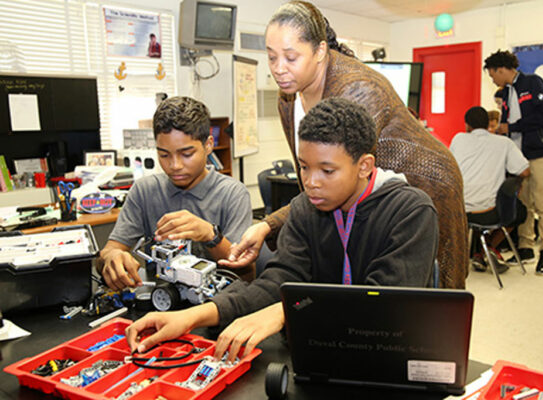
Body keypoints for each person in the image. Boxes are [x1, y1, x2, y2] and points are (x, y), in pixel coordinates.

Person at [125, 98, 438, 362]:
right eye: (304, 166)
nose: (310, 182)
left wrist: (286, 312)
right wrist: (193, 316)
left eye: (327, 170)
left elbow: (381, 304)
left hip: (384, 359)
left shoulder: (410, 212)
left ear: (365, 166)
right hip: (317, 353)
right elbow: (276, 283)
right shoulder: (305, 209)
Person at [221, 0, 467, 289]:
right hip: (363, 189)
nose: (279, 69)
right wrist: (269, 224)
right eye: (272, 57)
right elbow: (317, 176)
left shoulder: (358, 90)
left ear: (320, 51)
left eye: (290, 57)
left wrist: (269, 223)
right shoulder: (288, 96)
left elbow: (341, 177)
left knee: (431, 297)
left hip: (426, 182)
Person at [98, 96, 253, 290]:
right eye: (164, 155)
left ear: (208, 145)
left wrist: (210, 235)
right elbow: (110, 250)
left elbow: (246, 273)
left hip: (216, 306)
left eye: (187, 154)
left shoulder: (233, 194)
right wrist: (112, 257)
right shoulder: (144, 191)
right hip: (163, 303)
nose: (174, 166)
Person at [484, 50, 543, 275]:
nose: (492, 79)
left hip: (538, 153)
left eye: (492, 74)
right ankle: (526, 246)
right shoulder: (504, 94)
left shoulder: (532, 83)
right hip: (517, 156)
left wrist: (512, 127)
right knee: (524, 203)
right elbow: (506, 122)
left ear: (501, 69)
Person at [450, 106, 530, 272]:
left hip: (458, 210)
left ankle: (480, 253)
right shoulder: (504, 143)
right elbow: (524, 171)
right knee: (519, 211)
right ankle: (488, 248)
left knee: (479, 207)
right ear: (489, 124)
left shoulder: (458, 139)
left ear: (467, 125)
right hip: (490, 212)